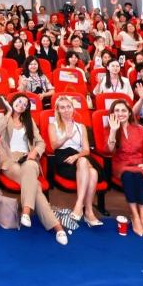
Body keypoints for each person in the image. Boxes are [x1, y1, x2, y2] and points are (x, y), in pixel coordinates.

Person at [0, 94, 67, 243]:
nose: (21, 105)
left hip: (28, 158)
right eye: (19, 101)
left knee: (30, 167)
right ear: (13, 101)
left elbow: (41, 143)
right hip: (10, 161)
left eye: (25, 104)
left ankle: (26, 213)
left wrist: (34, 152)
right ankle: (57, 227)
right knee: (36, 186)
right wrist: (9, 112)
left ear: (27, 108)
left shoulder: (29, 121)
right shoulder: (2, 117)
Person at [48, 95, 103, 227]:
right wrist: (66, 137)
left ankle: (79, 205)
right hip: (64, 158)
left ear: (73, 108)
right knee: (93, 173)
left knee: (83, 161)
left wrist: (76, 156)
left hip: (79, 156)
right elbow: (53, 146)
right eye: (62, 107)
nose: (66, 110)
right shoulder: (53, 125)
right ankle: (88, 212)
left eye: (69, 106)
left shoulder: (80, 127)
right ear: (58, 110)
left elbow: (86, 150)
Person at [107, 99, 143, 237]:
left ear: (129, 113)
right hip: (121, 164)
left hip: (140, 164)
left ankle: (142, 215)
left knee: (139, 174)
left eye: (123, 110)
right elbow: (110, 150)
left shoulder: (140, 129)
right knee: (128, 175)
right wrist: (113, 131)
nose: (120, 113)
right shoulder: (110, 129)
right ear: (112, 114)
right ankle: (135, 215)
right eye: (117, 110)